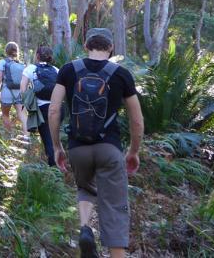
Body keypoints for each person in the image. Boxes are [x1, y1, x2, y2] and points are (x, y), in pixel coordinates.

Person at [48, 28, 144, 258]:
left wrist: (57, 147)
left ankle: (84, 228)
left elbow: (53, 110)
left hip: (77, 148)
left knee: (85, 187)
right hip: (109, 149)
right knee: (114, 208)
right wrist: (133, 151)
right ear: (111, 48)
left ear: (86, 45)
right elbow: (137, 120)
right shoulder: (121, 74)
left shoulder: (68, 70)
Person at [19, 46, 58, 167]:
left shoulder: (31, 68)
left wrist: (27, 103)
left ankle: (54, 170)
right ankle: (60, 165)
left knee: (48, 140)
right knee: (55, 139)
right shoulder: (56, 70)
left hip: (41, 109)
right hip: (57, 108)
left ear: (37, 56)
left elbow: (23, 88)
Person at [0, 42, 27, 135]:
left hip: (7, 91)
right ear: (16, 51)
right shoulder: (21, 64)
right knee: (22, 115)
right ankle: (27, 136)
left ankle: (9, 135)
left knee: (5, 115)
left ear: (6, 51)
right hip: (19, 92)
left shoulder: (3, 62)